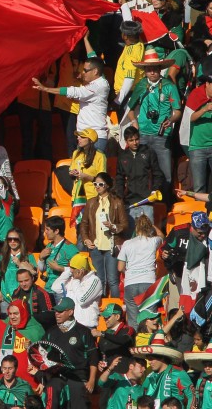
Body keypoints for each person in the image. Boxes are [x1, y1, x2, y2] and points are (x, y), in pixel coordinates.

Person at [125, 48, 182, 185]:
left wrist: (170, 120)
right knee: (141, 173)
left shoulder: (169, 86)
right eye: (149, 69)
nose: (152, 72)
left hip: (162, 135)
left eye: (155, 69)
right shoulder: (141, 85)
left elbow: (178, 111)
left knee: (165, 175)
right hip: (142, 135)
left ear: (160, 69)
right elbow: (130, 110)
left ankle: (167, 204)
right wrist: (134, 122)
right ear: (145, 70)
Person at [32, 56, 110, 152]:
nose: (83, 72)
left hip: (95, 139)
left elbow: (74, 91)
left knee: (95, 167)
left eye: (85, 70)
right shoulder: (99, 83)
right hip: (85, 138)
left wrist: (46, 89)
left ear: (95, 71)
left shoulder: (98, 86)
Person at [0, 299, 43, 388]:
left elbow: (45, 358)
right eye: (10, 314)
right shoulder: (2, 326)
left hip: (30, 384)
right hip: (4, 384)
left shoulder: (37, 330)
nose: (12, 317)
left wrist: (33, 347)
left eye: (16, 314)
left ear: (24, 313)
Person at [43, 297, 100, 408]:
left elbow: (93, 357)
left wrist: (92, 380)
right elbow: (41, 353)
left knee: (79, 403)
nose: (57, 314)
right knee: (51, 393)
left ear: (70, 312)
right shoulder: (51, 332)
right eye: (56, 311)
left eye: (60, 311)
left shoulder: (83, 331)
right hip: (57, 375)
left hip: (78, 376)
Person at [78, 172, 128, 297]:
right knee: (99, 279)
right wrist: (86, 239)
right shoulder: (91, 203)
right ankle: (100, 306)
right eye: (95, 184)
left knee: (112, 280)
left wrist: (113, 227)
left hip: (111, 246)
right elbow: (84, 224)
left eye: (100, 184)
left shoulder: (117, 202)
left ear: (107, 185)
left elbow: (124, 224)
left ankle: (114, 309)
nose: (97, 186)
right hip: (95, 246)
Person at [117, 215, 164, 326]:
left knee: (133, 321)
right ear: (149, 228)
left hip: (130, 283)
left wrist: (128, 272)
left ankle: (136, 342)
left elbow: (120, 267)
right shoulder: (153, 241)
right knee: (149, 319)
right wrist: (152, 225)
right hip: (148, 283)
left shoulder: (127, 243)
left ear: (136, 228)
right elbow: (162, 236)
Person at [134, 334, 194, 407]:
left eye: (151, 359)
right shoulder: (150, 376)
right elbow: (142, 394)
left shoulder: (178, 373)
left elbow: (192, 395)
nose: (149, 362)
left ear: (161, 357)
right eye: (148, 359)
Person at [53, 254, 104, 328]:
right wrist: (68, 272)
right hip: (70, 324)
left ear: (81, 270)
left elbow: (82, 300)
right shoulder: (72, 279)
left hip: (86, 325)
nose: (71, 270)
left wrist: (76, 280)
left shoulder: (94, 280)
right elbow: (55, 288)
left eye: (73, 268)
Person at [0, 228, 35, 313]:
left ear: (20, 239)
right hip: (6, 295)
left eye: (15, 239)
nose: (12, 241)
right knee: (6, 322)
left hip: (23, 295)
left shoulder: (28, 256)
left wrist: (20, 264)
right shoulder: (2, 256)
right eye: (9, 239)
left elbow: (34, 273)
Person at [38, 215, 79, 301]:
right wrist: (41, 258)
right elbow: (42, 269)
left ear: (56, 231)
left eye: (47, 229)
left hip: (61, 291)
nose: (45, 232)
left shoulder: (70, 249)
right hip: (48, 289)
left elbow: (79, 271)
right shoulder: (49, 246)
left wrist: (60, 268)